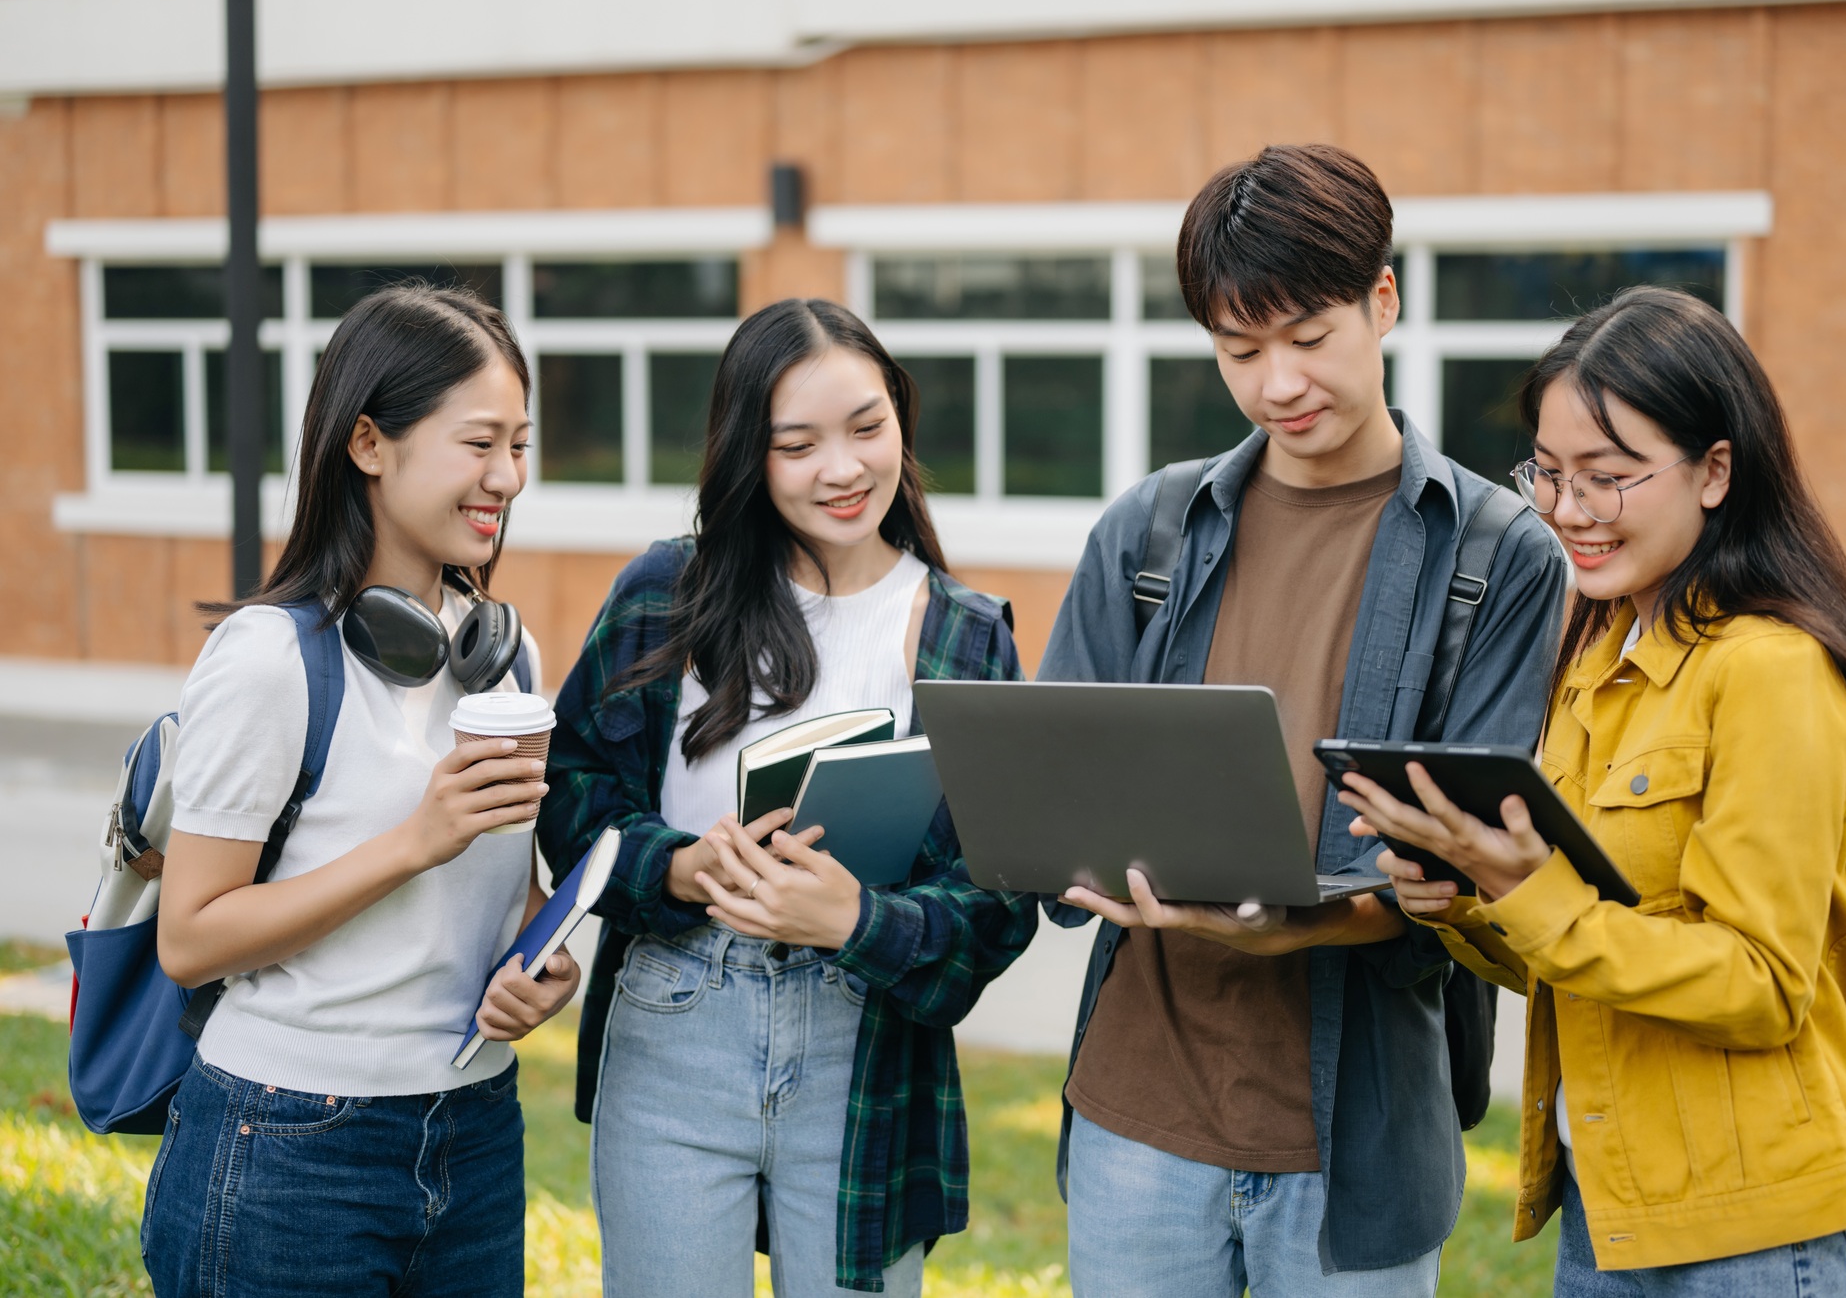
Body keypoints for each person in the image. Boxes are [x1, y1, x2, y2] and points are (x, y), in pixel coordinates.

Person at [1037, 143, 1568, 1297]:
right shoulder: (1146, 533)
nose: (1278, 382)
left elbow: (1473, 868)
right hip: (1139, 1120)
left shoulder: (1497, 554)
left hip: (1356, 1146)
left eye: (1307, 337)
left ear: (1383, 297)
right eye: (1239, 350)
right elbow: (1049, 799)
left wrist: (1300, 926)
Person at [1341, 286, 1846, 1295]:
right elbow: (1588, 958)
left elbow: (1758, 983)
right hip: (1610, 1212)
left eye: (1607, 477)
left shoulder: (1769, 671)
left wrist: (1527, 895)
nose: (1566, 511)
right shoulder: (1598, 660)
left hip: (1761, 1236)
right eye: (1547, 474)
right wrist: (1463, 892)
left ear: (1715, 470)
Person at [536, 297, 1037, 1297]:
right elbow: (570, 792)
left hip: (864, 1041)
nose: (842, 469)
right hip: (678, 1014)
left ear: (901, 414)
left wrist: (855, 916)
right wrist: (673, 863)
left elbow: (998, 894)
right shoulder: (666, 592)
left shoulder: (965, 634)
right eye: (795, 444)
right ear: (746, 456)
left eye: (865, 427)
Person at [145, 282, 578, 1297]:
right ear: (369, 443)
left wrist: (540, 965)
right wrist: (410, 840)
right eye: (479, 443)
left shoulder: (502, 663)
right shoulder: (270, 659)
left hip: (471, 1132)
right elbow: (191, 935)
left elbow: (500, 903)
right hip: (289, 1139)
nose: (507, 476)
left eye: (519, 444)